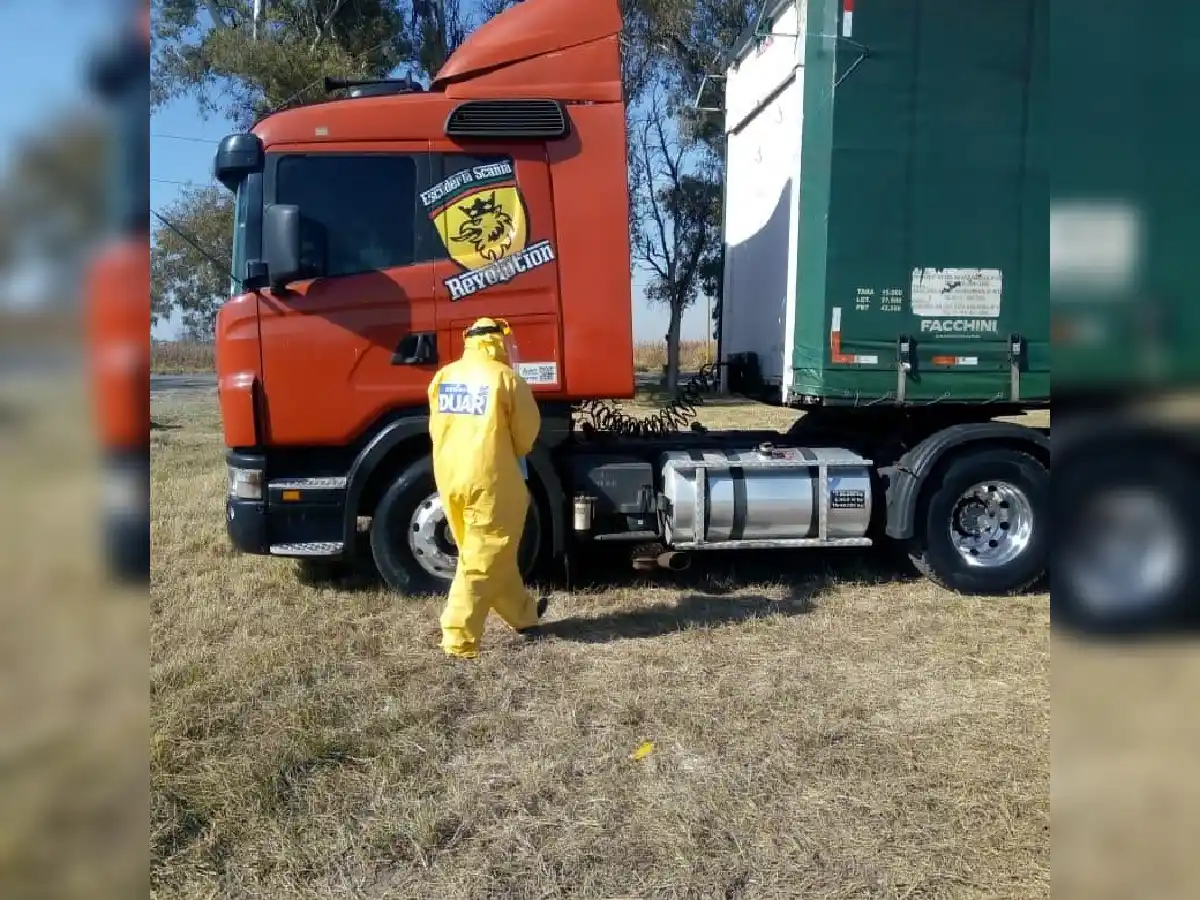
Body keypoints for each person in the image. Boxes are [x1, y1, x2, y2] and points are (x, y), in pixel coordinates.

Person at [427, 317, 549, 659]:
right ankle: (459, 638)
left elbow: (437, 428)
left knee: (486, 552)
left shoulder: (444, 376)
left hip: (451, 476)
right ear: (497, 343)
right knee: (483, 559)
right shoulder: (506, 379)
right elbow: (526, 436)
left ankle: (523, 615)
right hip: (492, 479)